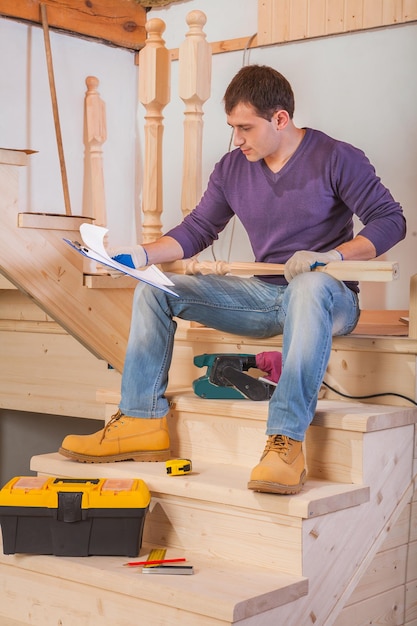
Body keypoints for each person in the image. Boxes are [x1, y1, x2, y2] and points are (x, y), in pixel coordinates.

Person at [59, 64, 406, 495]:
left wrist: (330, 257)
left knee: (310, 286)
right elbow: (198, 229)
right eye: (232, 128)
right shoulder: (231, 169)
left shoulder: (336, 157)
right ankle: (140, 421)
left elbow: (390, 220)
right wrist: (143, 254)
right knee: (155, 288)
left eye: (245, 128)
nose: (237, 139)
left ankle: (286, 442)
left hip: (328, 297)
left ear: (280, 119)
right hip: (264, 296)